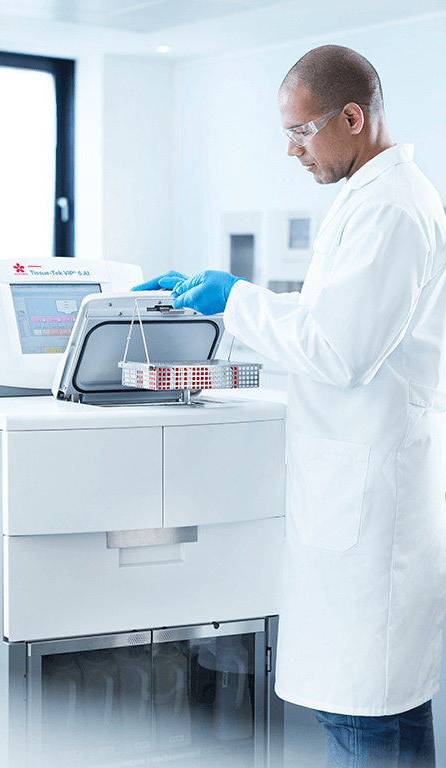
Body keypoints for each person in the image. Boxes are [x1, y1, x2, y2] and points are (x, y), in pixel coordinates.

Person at [134, 45, 446, 767]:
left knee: (362, 720)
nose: (292, 150)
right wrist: (239, 303)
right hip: (360, 493)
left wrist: (236, 299)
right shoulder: (371, 197)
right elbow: (330, 318)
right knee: (385, 716)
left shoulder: (392, 208)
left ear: (352, 117)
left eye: (302, 131)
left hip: (373, 510)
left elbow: (340, 349)